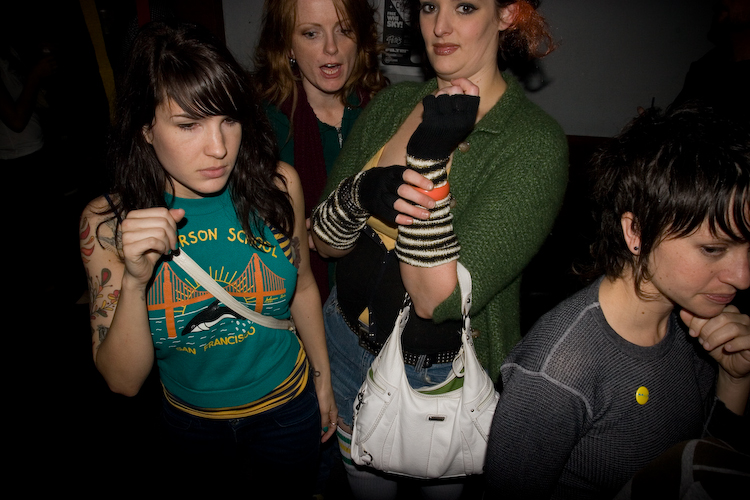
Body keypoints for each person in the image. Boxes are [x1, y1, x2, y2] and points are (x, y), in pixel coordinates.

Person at [310, 0, 568, 497]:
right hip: (340, 342)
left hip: (435, 378)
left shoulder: (532, 143)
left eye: (464, 6)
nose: (440, 26)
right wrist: (361, 195)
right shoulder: (392, 104)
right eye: (430, 5)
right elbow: (324, 243)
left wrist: (428, 160)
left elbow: (435, 300)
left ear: (508, 14)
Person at [78, 21, 336, 495]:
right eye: (188, 124)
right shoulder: (108, 222)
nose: (218, 148)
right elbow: (122, 382)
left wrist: (322, 380)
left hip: (287, 409)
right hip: (190, 426)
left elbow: (301, 287)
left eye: (228, 120)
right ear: (146, 129)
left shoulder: (277, 187)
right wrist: (135, 281)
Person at [484, 102, 750, 499]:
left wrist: (734, 380)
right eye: (713, 249)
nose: (742, 277)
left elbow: (701, 473)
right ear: (636, 232)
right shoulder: (558, 373)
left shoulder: (692, 323)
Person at [254, 0, 387, 301]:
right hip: (296, 302)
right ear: (287, 45)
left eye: (344, 30)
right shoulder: (262, 128)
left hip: (376, 305)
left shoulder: (385, 113)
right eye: (311, 33)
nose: (331, 48)